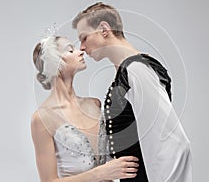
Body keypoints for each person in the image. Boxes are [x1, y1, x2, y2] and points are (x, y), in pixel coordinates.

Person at [72, 2, 192, 182]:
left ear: (104, 29)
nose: (81, 47)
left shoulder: (137, 70)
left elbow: (174, 146)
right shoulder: (127, 72)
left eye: (84, 37)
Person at [31, 35, 140, 182]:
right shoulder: (42, 118)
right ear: (54, 63)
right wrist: (101, 174)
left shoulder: (95, 105)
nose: (80, 51)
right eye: (70, 50)